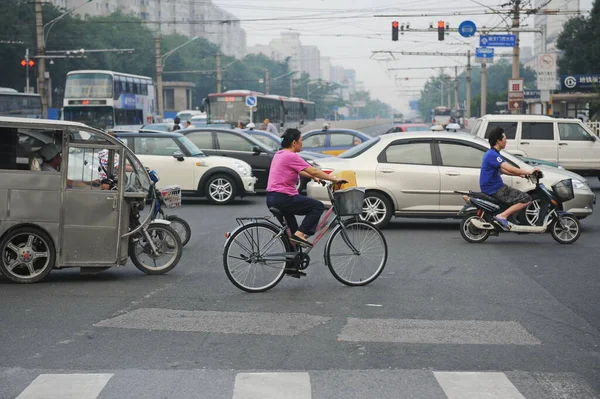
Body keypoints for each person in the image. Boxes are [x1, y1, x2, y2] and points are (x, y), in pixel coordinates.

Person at [266, 128, 343, 247]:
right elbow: (314, 170)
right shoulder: (291, 156)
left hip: (272, 197)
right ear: (294, 143)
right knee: (317, 206)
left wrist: (315, 178)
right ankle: (300, 234)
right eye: (301, 140)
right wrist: (334, 179)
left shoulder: (280, 154)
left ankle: (291, 262)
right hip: (284, 198)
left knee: (292, 238)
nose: (302, 143)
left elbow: (300, 171)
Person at [480, 127, 539, 230]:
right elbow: (510, 168)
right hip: (494, 188)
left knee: (518, 197)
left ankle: (509, 218)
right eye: (505, 138)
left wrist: (521, 175)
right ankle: (502, 216)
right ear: (498, 141)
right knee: (526, 198)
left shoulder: (493, 153)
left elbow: (503, 170)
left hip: (494, 187)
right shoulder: (493, 155)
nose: (506, 141)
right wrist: (529, 171)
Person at [38, 144, 109, 189]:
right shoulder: (49, 172)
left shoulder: (48, 168)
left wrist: (90, 182)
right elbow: (69, 183)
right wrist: (98, 188)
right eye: (59, 156)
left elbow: (69, 182)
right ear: (54, 158)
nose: (61, 158)